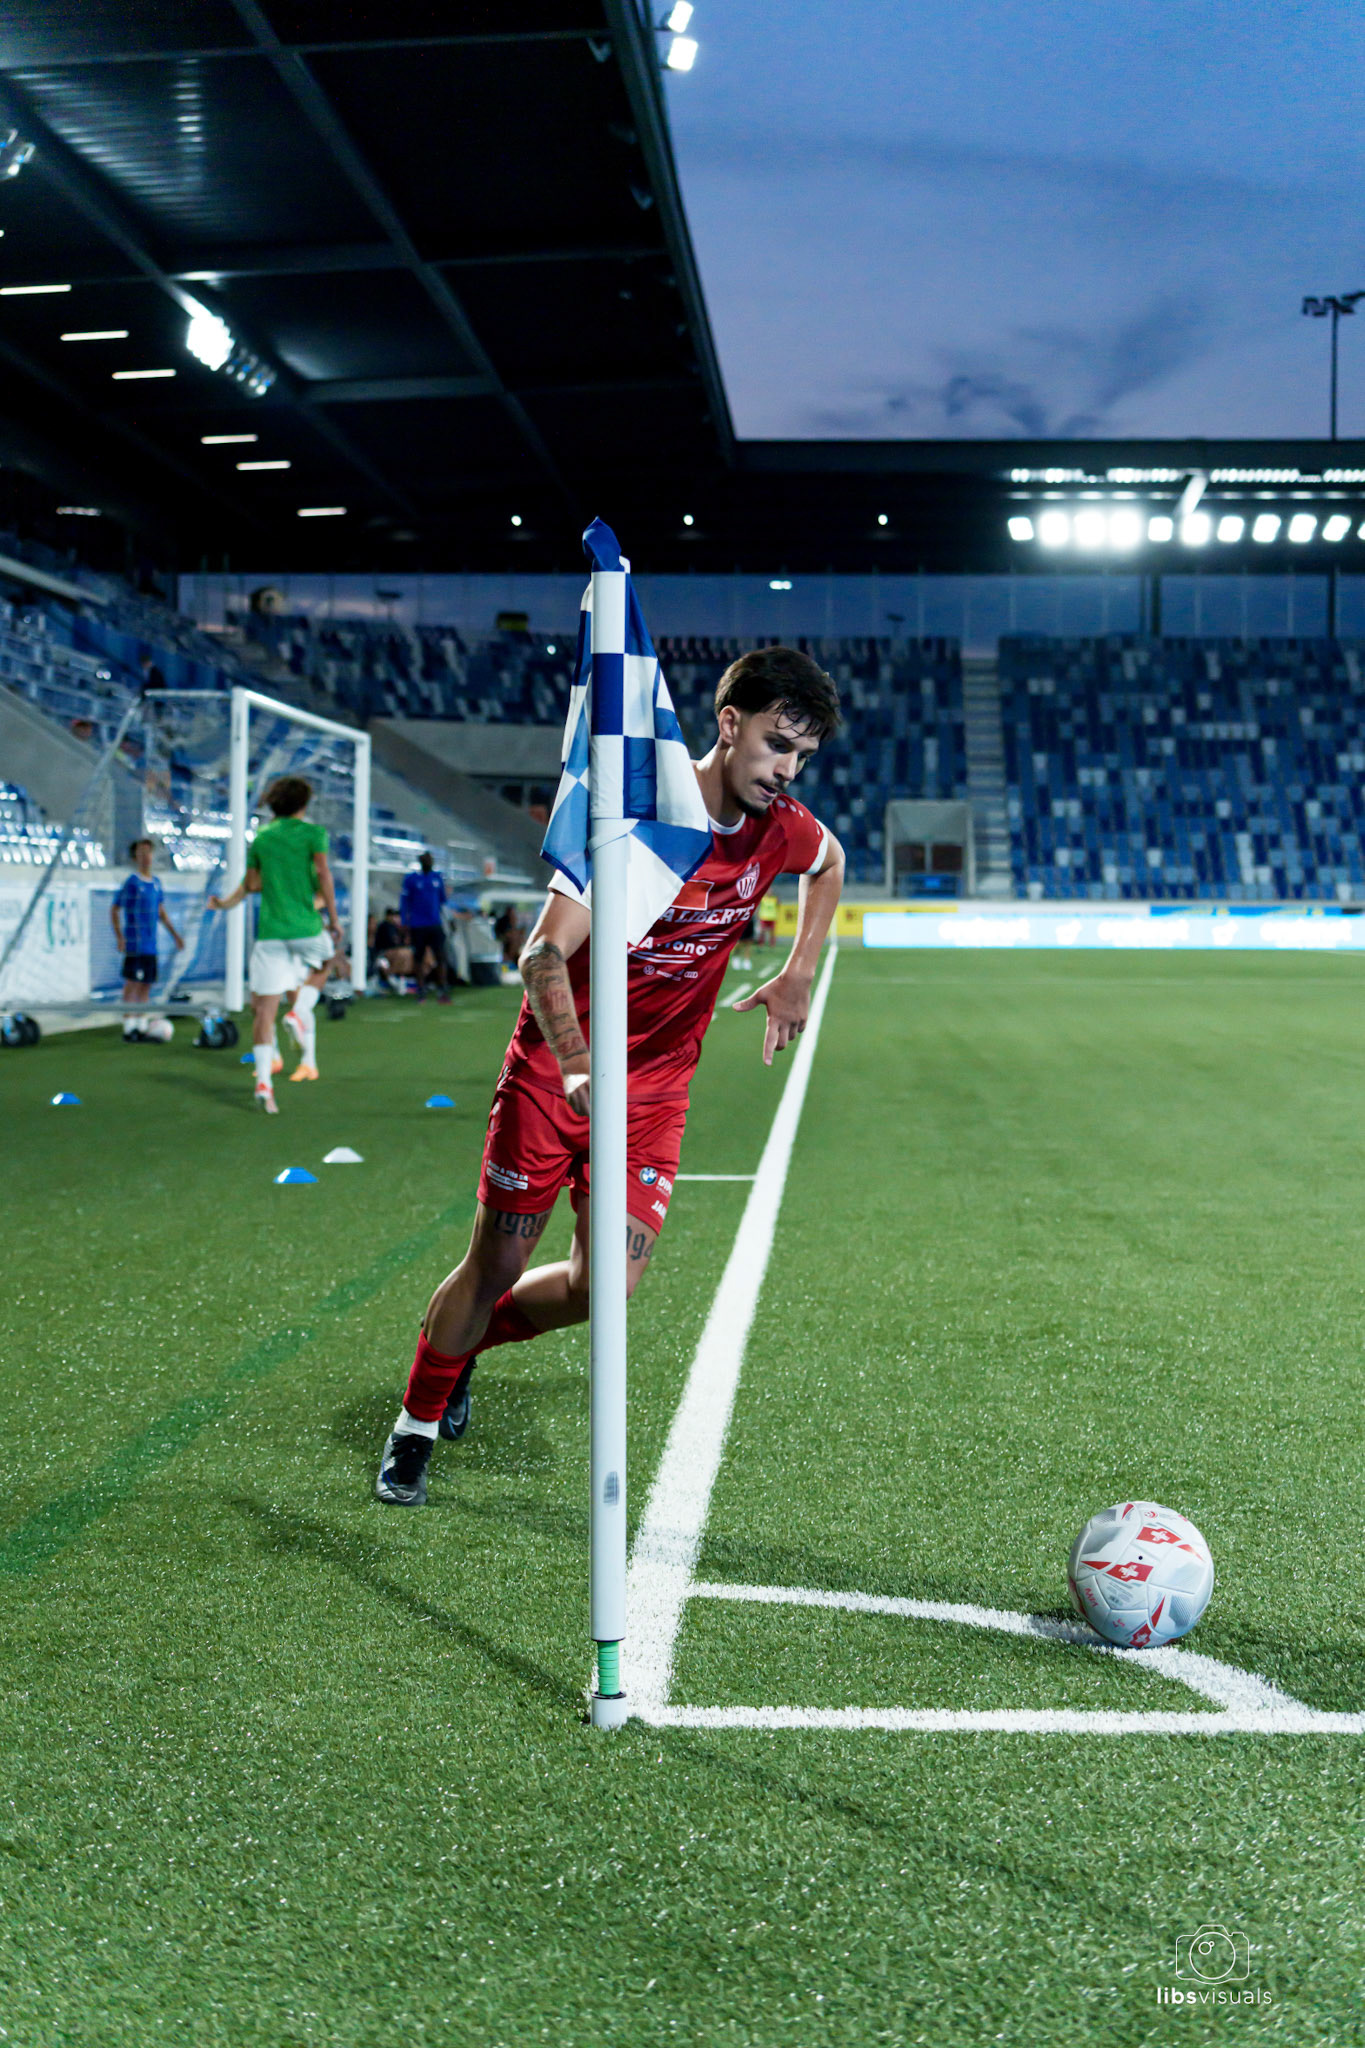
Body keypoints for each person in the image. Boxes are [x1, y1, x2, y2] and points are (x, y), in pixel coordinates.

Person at [376, 644, 844, 1505]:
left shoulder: (783, 830)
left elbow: (830, 864)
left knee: (607, 1291)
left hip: (656, 1088)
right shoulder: (630, 827)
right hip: (556, 1077)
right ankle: (413, 1425)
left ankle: (464, 1345)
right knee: (497, 1261)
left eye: (804, 756)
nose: (788, 770)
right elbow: (542, 955)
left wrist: (799, 969)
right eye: (778, 744)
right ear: (728, 723)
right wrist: (579, 1065)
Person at [208, 775, 342, 1112]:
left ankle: (265, 1084)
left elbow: (251, 883)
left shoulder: (263, 838)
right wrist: (335, 919)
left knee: (263, 1012)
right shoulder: (313, 835)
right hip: (306, 929)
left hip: (271, 934)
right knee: (326, 964)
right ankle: (299, 1017)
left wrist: (225, 903)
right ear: (304, 804)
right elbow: (323, 877)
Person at [110, 837, 183, 1042]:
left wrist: (175, 935)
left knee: (146, 985)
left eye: (148, 852)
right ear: (135, 858)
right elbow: (115, 909)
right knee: (132, 984)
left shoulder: (157, 884)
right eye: (141, 853)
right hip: (135, 944)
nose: (146, 857)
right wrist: (120, 937)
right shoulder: (132, 883)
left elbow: (161, 912)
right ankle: (128, 1027)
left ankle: (141, 1025)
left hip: (151, 946)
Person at [399, 852, 450, 1002]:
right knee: (418, 958)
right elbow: (404, 903)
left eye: (431, 859)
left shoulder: (437, 878)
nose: (429, 861)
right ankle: (421, 991)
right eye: (426, 859)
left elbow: (443, 901)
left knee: (441, 957)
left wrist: (449, 919)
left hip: (435, 924)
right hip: (417, 925)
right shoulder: (411, 879)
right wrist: (404, 922)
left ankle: (442, 990)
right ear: (421, 861)